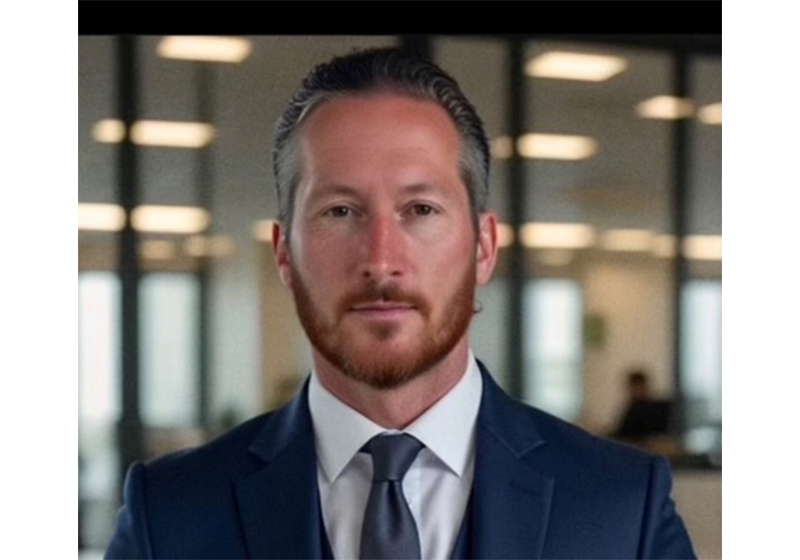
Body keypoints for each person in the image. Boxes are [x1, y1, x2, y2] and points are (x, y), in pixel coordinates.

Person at [106, 47, 695, 559]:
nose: (381, 259)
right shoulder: (170, 514)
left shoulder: (622, 506)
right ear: (284, 252)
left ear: (484, 247)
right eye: (340, 211)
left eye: (421, 210)